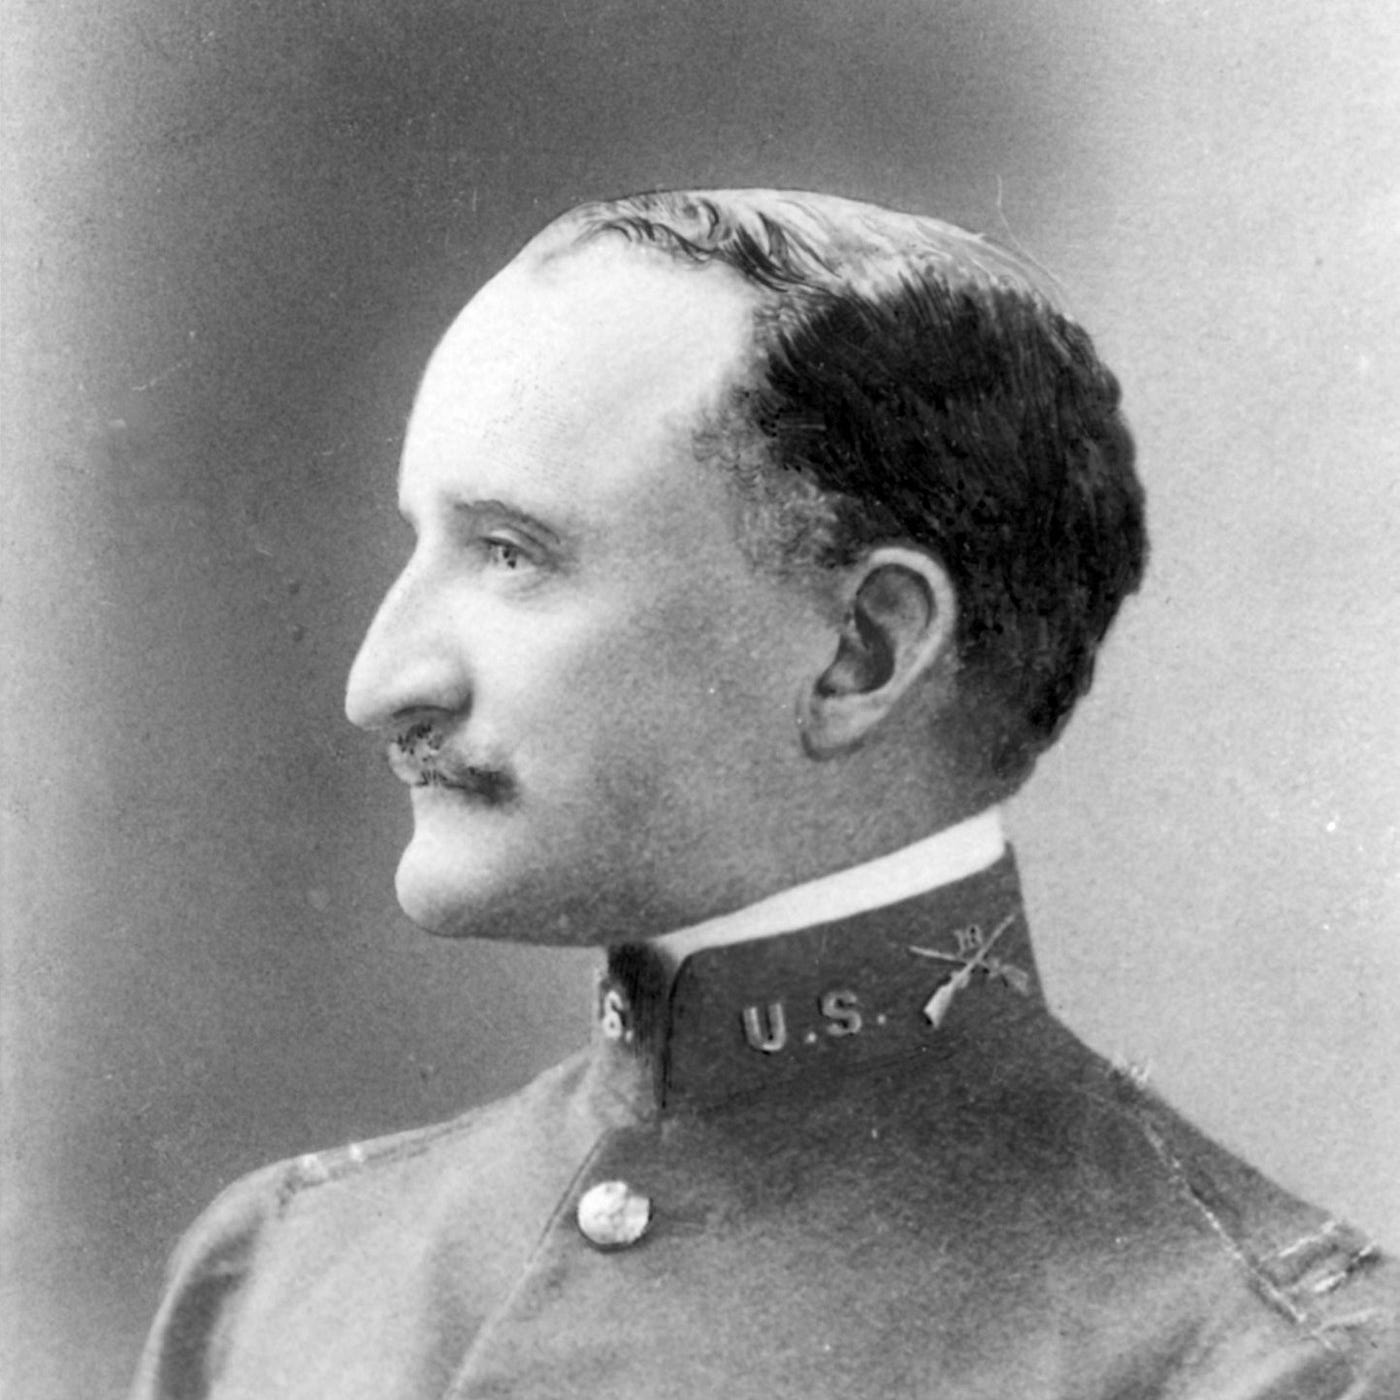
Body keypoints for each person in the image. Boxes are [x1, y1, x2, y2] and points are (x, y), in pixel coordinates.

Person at [130, 190, 1398, 1399]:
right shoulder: (278, 1275)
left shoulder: (1263, 1365)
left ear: (861, 652)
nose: (379, 683)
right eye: (426, 540)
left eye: (510, 553)